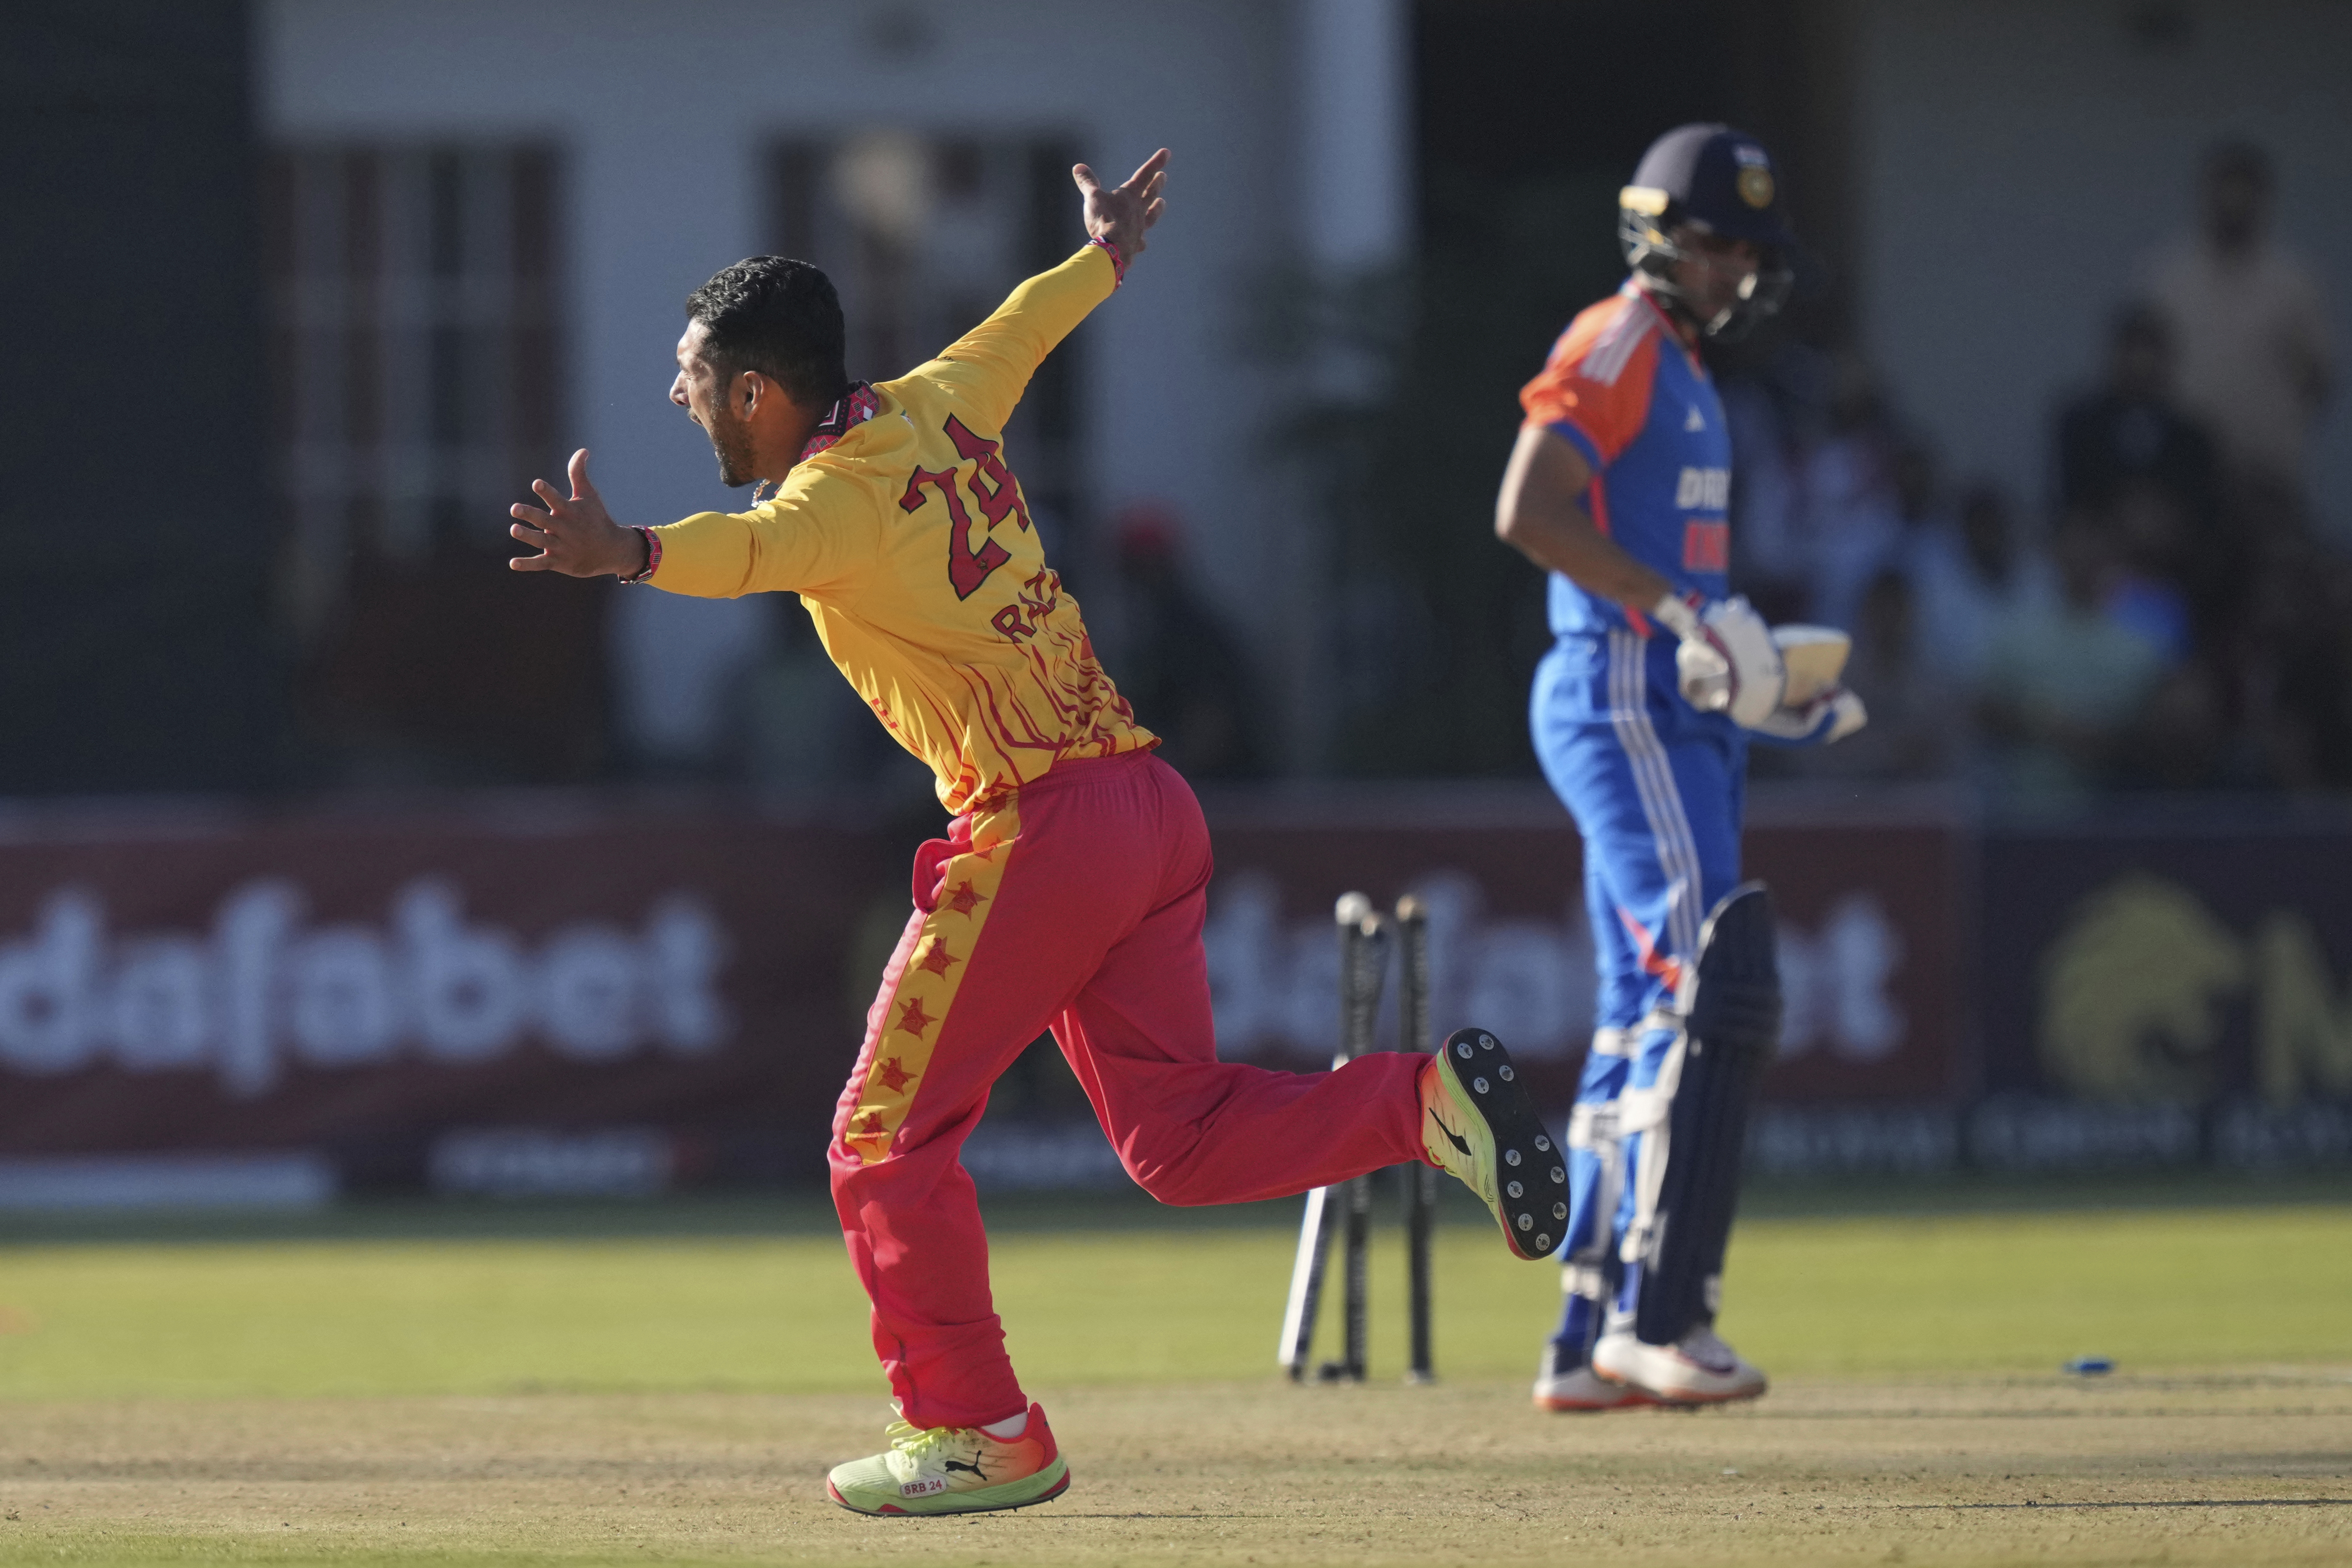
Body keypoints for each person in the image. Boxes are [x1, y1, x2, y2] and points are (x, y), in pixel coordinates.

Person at [506, 148, 1563, 1517]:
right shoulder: (942, 403)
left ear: (757, 394)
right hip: (1146, 808)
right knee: (1175, 1142)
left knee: (879, 1134)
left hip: (1040, 829)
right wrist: (1108, 252)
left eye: (692, 375)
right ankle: (1418, 1103)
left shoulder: (820, 505)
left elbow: (741, 553)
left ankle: (975, 1426)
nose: (678, 391)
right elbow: (1030, 319)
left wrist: (627, 552)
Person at [1492, 124, 1865, 1414]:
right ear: (1656, 230)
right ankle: (1658, 1314)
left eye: (1747, 249)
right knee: (1697, 975)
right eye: (1713, 242)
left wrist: (1765, 677)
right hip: (1623, 692)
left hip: (1675, 700)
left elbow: (1678, 577)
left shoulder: (1694, 374)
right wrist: (1682, 617)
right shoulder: (1619, 342)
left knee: (1635, 1007)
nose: (1732, 268)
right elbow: (1529, 512)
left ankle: (1584, 1330)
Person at [2140, 141, 2333, 495]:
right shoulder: (2168, 279)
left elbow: (2318, 381)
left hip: (2268, 472)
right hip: (2183, 475)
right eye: (2223, 190)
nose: (2233, 203)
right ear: (2204, 195)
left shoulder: (2292, 285)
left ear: (2263, 199)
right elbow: (2143, 374)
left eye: (2244, 192)